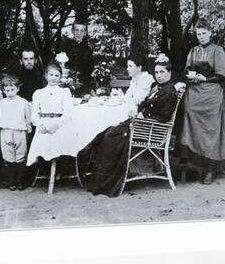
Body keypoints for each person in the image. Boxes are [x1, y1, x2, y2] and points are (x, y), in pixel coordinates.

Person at [77, 58, 179, 197]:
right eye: (156, 72)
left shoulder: (170, 92)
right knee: (107, 131)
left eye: (162, 72)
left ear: (170, 73)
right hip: (142, 124)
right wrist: (138, 112)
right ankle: (95, 176)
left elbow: (164, 117)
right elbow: (145, 104)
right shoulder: (157, 87)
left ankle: (105, 181)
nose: (159, 75)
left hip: (150, 130)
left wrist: (143, 119)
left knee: (111, 137)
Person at [178, 20, 225, 184]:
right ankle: (191, 165)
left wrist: (206, 78)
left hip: (211, 94)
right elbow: (186, 69)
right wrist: (190, 75)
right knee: (189, 122)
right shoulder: (193, 51)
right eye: (198, 34)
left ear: (210, 33)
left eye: (203, 33)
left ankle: (210, 169)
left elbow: (224, 75)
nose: (200, 37)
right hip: (194, 93)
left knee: (210, 130)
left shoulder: (217, 50)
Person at [27, 62, 73, 167]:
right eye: (51, 75)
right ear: (46, 76)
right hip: (44, 124)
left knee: (60, 143)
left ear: (60, 77)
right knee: (42, 144)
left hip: (59, 125)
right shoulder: (38, 93)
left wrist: (57, 125)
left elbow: (68, 112)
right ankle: (45, 168)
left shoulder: (64, 92)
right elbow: (34, 114)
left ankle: (60, 169)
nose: (53, 78)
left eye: (57, 75)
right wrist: (40, 125)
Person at [0, 75, 32, 190]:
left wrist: (29, 130)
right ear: (3, 90)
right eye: (7, 90)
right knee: (8, 155)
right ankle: (11, 181)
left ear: (18, 89)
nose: (10, 92)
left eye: (12, 89)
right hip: (6, 131)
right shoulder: (2, 102)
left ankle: (20, 180)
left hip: (19, 131)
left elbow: (28, 117)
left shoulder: (23, 102)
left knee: (20, 155)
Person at [58, 19, 94, 95]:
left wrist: (90, 89)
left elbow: (90, 71)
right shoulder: (65, 47)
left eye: (82, 31)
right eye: (77, 30)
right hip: (67, 86)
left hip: (83, 87)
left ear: (85, 33)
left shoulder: (88, 50)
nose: (79, 33)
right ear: (72, 31)